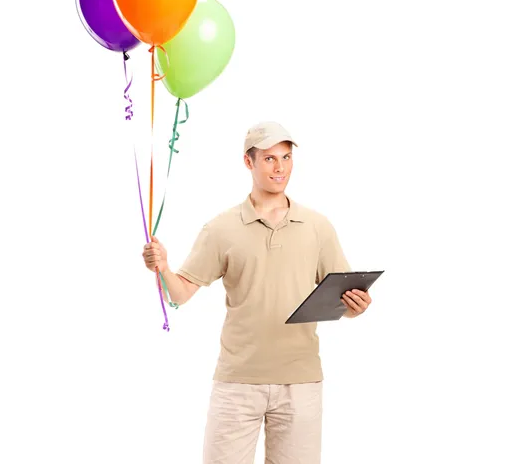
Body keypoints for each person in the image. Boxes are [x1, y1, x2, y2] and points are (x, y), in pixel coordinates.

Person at [142, 121, 372, 463]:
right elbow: (179, 293)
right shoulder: (221, 228)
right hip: (237, 384)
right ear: (249, 162)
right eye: (269, 159)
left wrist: (358, 305)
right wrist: (162, 268)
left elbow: (344, 298)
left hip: (300, 383)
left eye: (286, 157)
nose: (280, 168)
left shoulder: (317, 227)